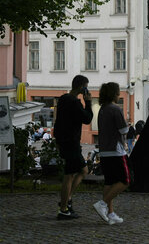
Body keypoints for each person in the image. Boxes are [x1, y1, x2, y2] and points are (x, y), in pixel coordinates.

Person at [53, 75, 93, 220]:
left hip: (64, 140)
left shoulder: (63, 99)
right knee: (69, 174)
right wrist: (88, 102)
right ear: (82, 87)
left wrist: (56, 138)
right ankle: (63, 208)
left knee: (83, 170)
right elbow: (87, 118)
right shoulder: (75, 103)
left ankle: (67, 199)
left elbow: (57, 121)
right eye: (86, 86)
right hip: (71, 142)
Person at [92, 82, 130, 225]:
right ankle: (103, 204)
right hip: (116, 151)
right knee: (125, 181)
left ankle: (110, 213)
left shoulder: (102, 109)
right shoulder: (115, 109)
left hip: (105, 150)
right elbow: (124, 130)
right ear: (115, 93)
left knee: (110, 181)